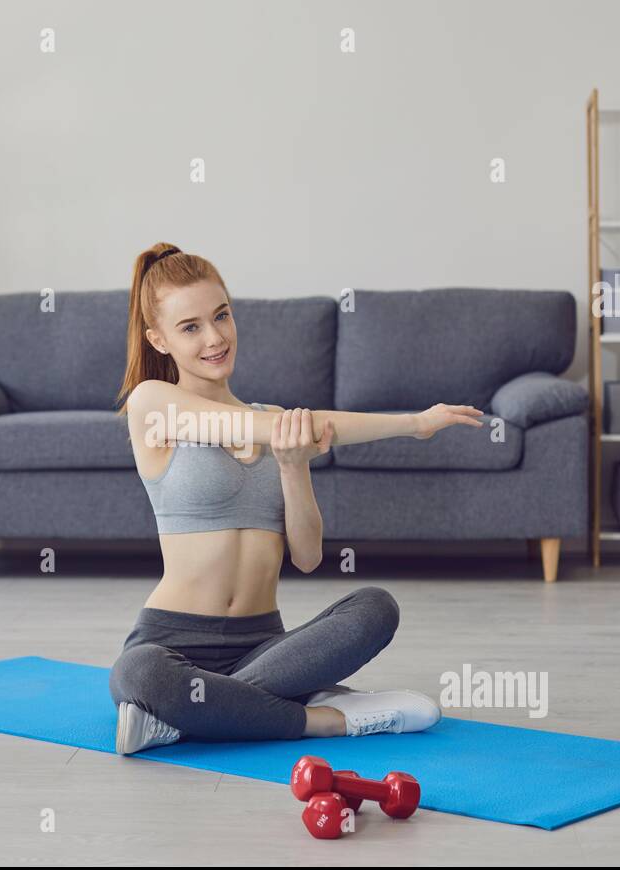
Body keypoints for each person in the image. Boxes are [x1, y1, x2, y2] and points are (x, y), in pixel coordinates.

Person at [110, 242, 484, 754]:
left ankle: (194, 717)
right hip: (172, 644)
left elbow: (307, 558)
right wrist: (413, 424)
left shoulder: (278, 426)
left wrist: (292, 465)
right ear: (159, 339)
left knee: (376, 607)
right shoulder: (151, 403)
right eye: (190, 327)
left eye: (222, 316)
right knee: (141, 672)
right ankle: (327, 718)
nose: (215, 338)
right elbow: (309, 425)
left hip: (265, 647)